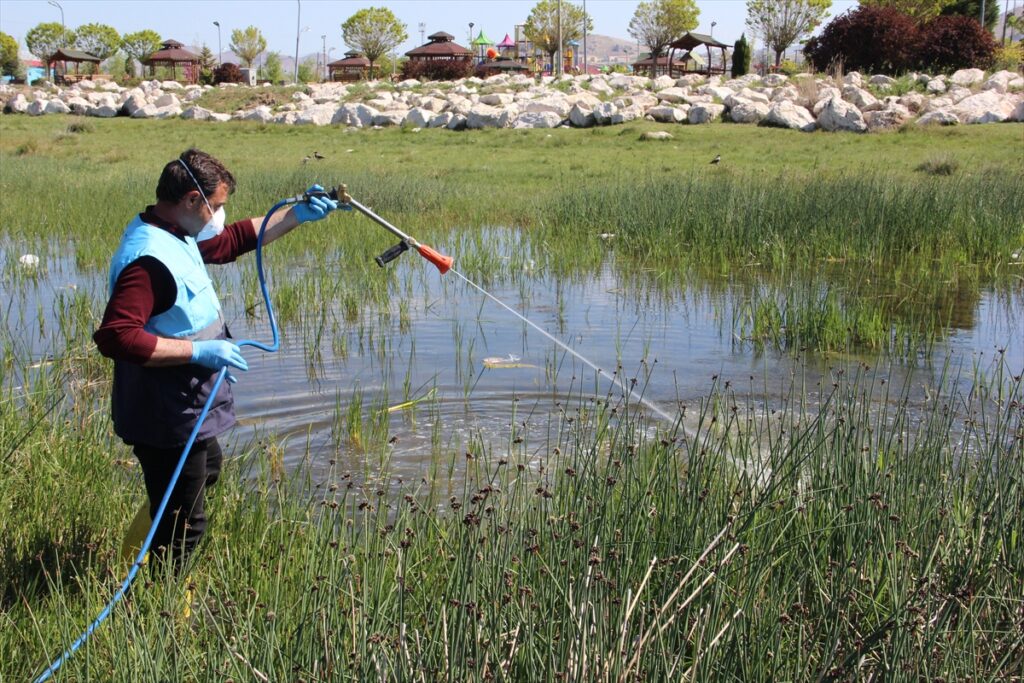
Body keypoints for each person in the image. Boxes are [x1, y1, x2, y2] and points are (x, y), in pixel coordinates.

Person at [94, 148, 338, 570]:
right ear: (192, 200)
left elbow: (229, 243)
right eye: (217, 206)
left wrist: (297, 214)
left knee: (207, 469)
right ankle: (167, 607)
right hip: (164, 413)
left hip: (188, 402)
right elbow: (116, 337)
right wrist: (199, 351)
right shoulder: (148, 261)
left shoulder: (175, 231)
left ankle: (136, 546)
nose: (219, 216)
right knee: (188, 526)